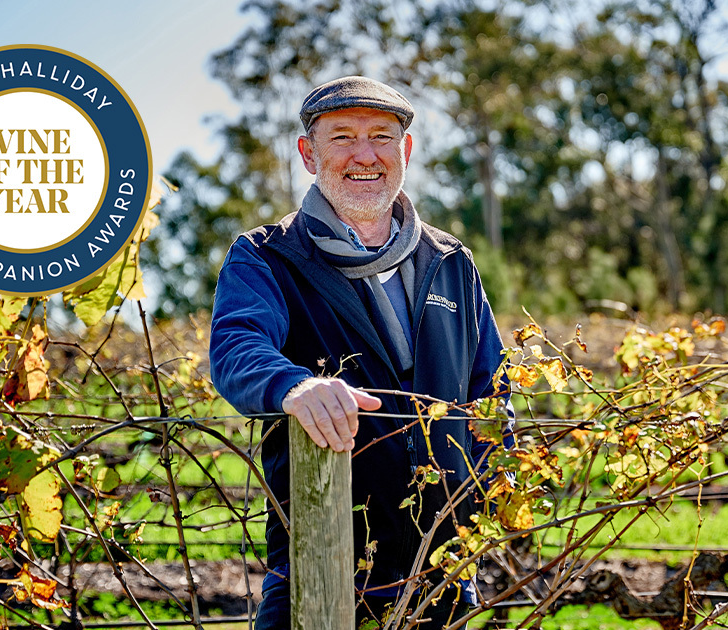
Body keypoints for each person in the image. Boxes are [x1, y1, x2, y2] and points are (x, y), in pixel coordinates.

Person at [209, 76, 510, 630]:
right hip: (319, 560)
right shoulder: (268, 257)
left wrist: (490, 495)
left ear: (406, 150)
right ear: (308, 154)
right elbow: (236, 347)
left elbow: (492, 389)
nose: (364, 155)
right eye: (342, 137)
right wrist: (294, 387)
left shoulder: (451, 262)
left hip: (440, 569)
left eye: (380, 136)